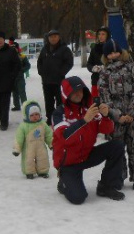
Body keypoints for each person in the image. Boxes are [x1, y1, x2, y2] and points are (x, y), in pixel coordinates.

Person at [53, 76, 126, 204]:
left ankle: (106, 186)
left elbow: (106, 130)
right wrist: (84, 121)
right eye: (74, 92)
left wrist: (105, 116)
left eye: (81, 90)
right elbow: (64, 136)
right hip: (69, 163)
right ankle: (63, 183)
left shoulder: (89, 109)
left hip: (86, 155)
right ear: (66, 94)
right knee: (78, 198)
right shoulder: (59, 113)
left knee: (117, 146)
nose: (78, 94)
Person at [98, 38, 134, 191]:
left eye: (116, 52)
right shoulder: (105, 73)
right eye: (110, 53)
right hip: (116, 118)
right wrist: (117, 115)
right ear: (106, 56)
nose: (114, 55)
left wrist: (132, 112)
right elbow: (104, 96)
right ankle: (118, 176)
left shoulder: (131, 67)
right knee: (117, 148)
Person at [37, 29, 74, 123]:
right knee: (48, 101)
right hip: (46, 80)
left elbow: (69, 62)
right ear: (48, 38)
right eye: (51, 37)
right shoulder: (45, 48)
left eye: (55, 36)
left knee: (60, 100)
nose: (53, 39)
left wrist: (61, 72)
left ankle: (59, 117)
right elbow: (40, 61)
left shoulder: (64, 49)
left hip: (59, 80)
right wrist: (41, 71)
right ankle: (50, 118)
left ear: (59, 37)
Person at [12, 100, 52, 179]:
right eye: (32, 115)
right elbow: (18, 138)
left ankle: (43, 171)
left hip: (41, 146)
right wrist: (17, 149)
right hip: (29, 147)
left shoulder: (43, 124)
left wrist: (51, 143)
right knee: (28, 159)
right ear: (27, 115)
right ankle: (29, 172)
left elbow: (49, 134)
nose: (35, 117)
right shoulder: (23, 126)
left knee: (43, 158)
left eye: (37, 114)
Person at [86, 27, 112, 98]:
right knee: (95, 103)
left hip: (110, 81)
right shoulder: (94, 48)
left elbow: (116, 63)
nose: (100, 36)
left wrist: (105, 67)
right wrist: (93, 68)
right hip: (96, 80)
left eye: (103, 34)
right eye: (99, 34)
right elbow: (89, 63)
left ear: (108, 36)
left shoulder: (112, 47)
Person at [11, 44, 31, 111]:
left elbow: (28, 65)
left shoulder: (22, 56)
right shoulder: (8, 57)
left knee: (22, 92)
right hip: (12, 78)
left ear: (17, 49)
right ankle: (17, 106)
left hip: (20, 78)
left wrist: (22, 70)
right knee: (14, 93)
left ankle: (25, 106)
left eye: (15, 48)